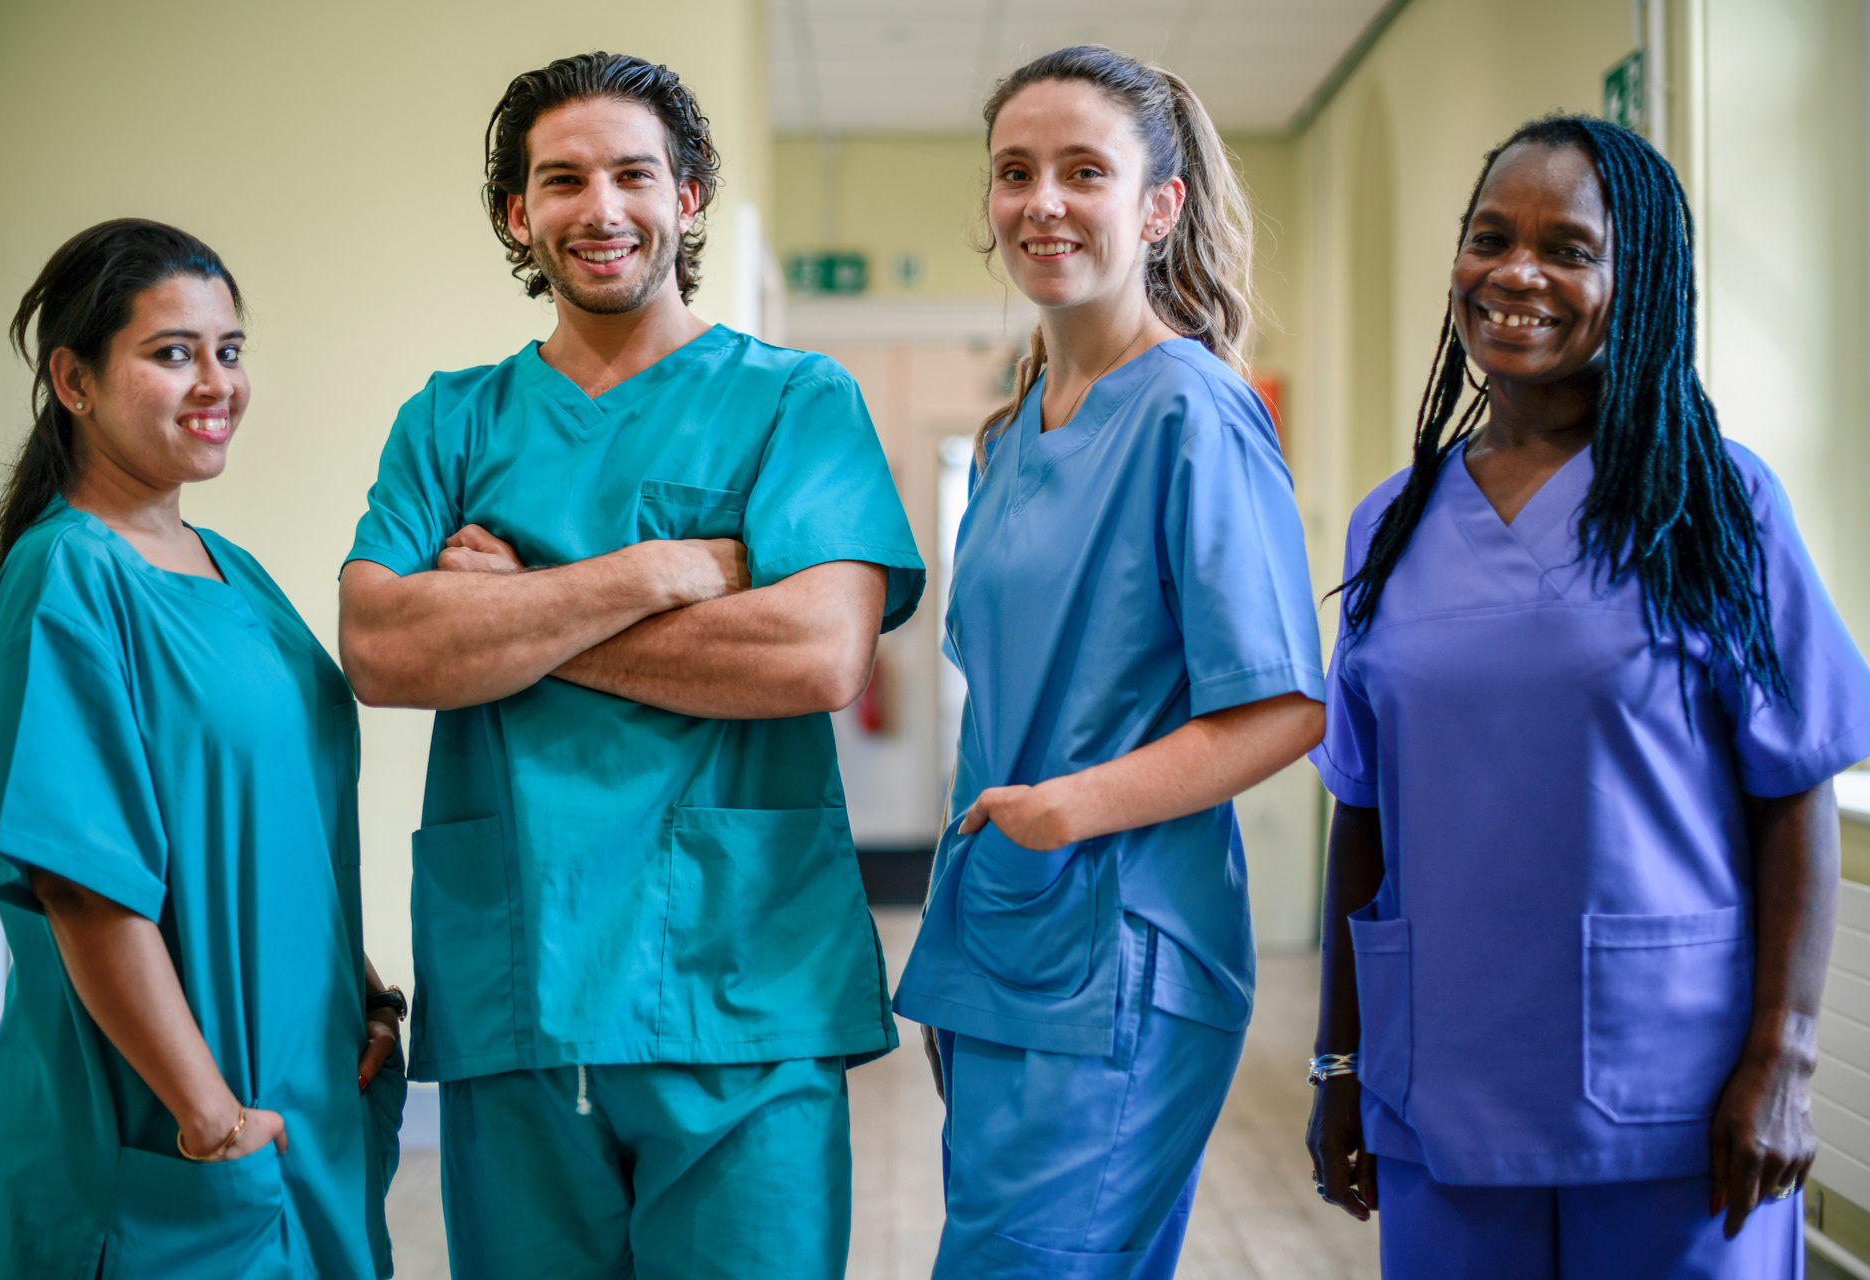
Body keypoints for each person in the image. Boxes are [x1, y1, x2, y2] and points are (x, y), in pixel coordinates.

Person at [336, 52, 924, 1280]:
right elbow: (388, 647)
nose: (600, 208)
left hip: (742, 980)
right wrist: (661, 571)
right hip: (518, 984)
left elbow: (816, 652)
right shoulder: (450, 419)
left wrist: (515, 621)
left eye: (633, 174)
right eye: (562, 180)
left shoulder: (794, 402)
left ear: (690, 195)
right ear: (518, 214)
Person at [1305, 115, 1870, 1279]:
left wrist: (1786, 1056)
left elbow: (1795, 792)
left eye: (1569, 248)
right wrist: (1339, 1067)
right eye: (1489, 238)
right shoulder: (1393, 523)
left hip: (1681, 1096)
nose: (1517, 273)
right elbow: (1360, 818)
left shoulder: (1718, 506)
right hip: (1442, 1084)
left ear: (1638, 281)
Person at [892, 45, 1326, 1280]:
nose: (1043, 201)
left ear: (1159, 204)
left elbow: (1285, 705)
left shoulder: (1194, 406)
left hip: (1123, 942)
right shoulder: (1013, 426)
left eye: (1085, 170)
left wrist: (1062, 810)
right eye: (1015, 171)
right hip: (1004, 933)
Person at [0, 219, 404, 1279]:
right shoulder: (71, 573)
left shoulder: (232, 570)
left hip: (308, 1109)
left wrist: (362, 988)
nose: (216, 382)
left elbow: (269, 821)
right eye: (173, 353)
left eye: (230, 348)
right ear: (74, 381)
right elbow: (84, 886)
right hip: (187, 1129)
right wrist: (208, 1116)